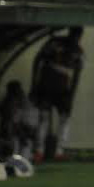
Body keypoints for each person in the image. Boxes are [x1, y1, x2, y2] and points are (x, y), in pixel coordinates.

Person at [30, 27, 84, 163]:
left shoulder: (79, 52)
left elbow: (77, 75)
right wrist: (34, 83)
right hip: (46, 85)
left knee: (65, 117)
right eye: (74, 34)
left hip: (63, 89)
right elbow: (38, 60)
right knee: (43, 117)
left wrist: (72, 94)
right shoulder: (55, 43)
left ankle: (59, 151)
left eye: (78, 36)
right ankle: (39, 151)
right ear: (70, 33)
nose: (75, 38)